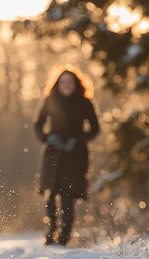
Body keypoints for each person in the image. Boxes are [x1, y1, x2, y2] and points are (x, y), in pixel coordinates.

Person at [34, 66, 100, 246]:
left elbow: (94, 129)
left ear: (76, 84)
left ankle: (65, 235)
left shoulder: (85, 102)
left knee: (68, 196)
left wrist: (78, 139)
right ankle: (51, 228)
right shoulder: (50, 100)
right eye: (63, 82)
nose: (66, 85)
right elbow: (38, 125)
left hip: (75, 155)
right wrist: (48, 137)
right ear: (58, 84)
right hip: (53, 154)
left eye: (69, 82)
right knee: (51, 194)